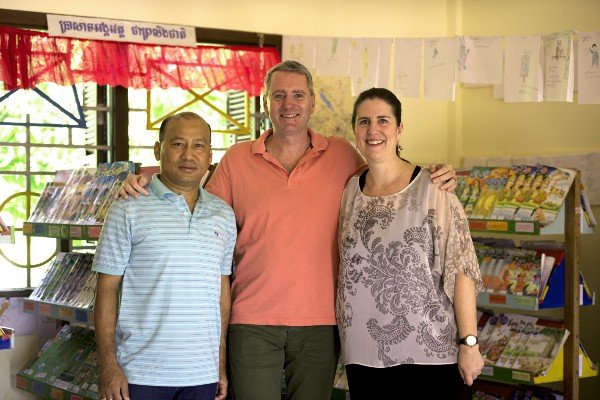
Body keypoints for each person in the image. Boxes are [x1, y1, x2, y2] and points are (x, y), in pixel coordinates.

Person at [119, 60, 458, 400]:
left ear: (312, 101)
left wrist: (432, 174)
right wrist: (147, 181)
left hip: (322, 323)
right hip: (251, 320)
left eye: (298, 95)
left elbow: (386, 176)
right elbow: (195, 205)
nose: (289, 104)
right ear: (266, 102)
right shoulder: (237, 160)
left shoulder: (341, 154)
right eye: (278, 95)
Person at [336, 88, 484, 399]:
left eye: (383, 121)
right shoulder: (350, 190)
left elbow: (462, 270)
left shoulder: (434, 189)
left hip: (430, 353)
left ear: (400, 129)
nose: (373, 130)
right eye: (364, 121)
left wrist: (469, 343)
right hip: (363, 355)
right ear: (355, 130)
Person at [93, 112, 236, 400]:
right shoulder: (128, 208)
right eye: (177, 144)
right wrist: (109, 366)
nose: (188, 155)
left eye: (198, 146)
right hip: (140, 374)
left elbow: (221, 293)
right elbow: (106, 288)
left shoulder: (223, 214)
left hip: (201, 374)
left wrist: (219, 363)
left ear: (210, 155)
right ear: (158, 150)